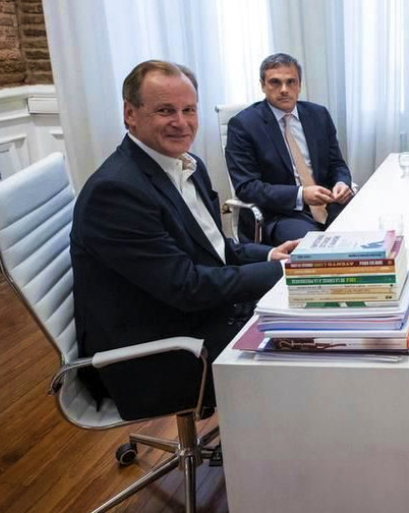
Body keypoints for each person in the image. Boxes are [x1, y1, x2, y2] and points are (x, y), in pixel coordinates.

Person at [71, 60, 296, 420]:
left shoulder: (185, 164)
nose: (181, 122)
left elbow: (216, 249)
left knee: (313, 323)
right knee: (306, 351)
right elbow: (188, 287)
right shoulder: (116, 192)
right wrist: (290, 273)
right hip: (155, 357)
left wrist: (271, 256)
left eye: (189, 110)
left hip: (194, 318)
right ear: (130, 114)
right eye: (165, 111)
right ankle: (270, 463)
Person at [226, 53, 353, 245]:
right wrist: (301, 195)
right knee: (316, 247)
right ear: (262, 85)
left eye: (291, 82)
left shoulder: (318, 115)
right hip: (281, 214)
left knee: (366, 230)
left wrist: (342, 183)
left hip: (328, 204)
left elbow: (336, 164)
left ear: (299, 85)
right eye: (275, 82)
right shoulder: (243, 125)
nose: (284, 90)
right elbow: (247, 187)